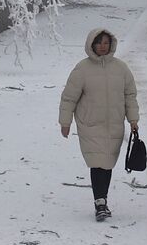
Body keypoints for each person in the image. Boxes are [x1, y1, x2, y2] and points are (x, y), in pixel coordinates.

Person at [58, 27, 139, 221]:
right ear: (91, 44)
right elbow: (69, 98)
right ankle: (100, 202)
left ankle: (103, 199)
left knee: (108, 163)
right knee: (97, 163)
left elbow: (130, 95)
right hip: (90, 124)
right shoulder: (82, 69)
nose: (103, 46)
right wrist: (65, 121)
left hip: (114, 125)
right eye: (99, 43)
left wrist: (133, 119)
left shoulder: (121, 69)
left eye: (106, 43)